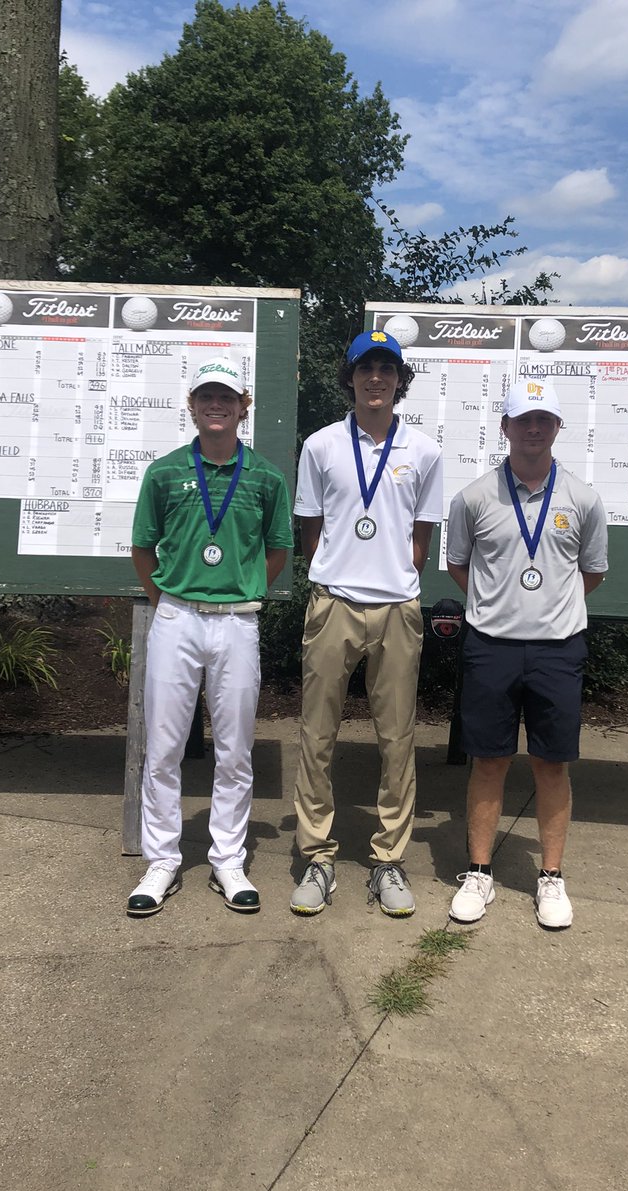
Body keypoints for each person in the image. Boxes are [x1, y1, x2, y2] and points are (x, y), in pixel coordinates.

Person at [126, 355, 293, 918]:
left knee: (235, 749)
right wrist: (171, 602)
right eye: (205, 397)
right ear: (192, 407)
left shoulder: (266, 476)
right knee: (164, 748)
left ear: (243, 407)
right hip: (175, 618)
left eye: (226, 396)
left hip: (237, 622)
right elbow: (142, 549)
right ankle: (162, 861)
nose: (216, 405)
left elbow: (278, 550)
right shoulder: (166, 471)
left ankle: (228, 859)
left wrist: (239, 589)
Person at [290, 329, 444, 918]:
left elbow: (420, 537)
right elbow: (311, 529)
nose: (375, 378)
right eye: (365, 367)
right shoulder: (322, 445)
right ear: (349, 376)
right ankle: (318, 858)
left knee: (397, 738)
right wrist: (335, 571)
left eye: (387, 368)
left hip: (397, 607)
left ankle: (388, 861)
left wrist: (395, 575)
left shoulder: (424, 451)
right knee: (316, 734)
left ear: (400, 380)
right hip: (333, 603)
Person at [445, 378, 607, 930]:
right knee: (488, 760)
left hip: (558, 650)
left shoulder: (583, 498)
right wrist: (502, 608)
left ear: (557, 427)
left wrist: (550, 611)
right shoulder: (472, 498)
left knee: (551, 764)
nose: (533, 428)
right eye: (523, 419)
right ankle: (479, 873)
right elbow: (459, 566)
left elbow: (593, 571)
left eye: (543, 419)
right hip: (490, 647)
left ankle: (552, 879)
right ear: (505, 428)